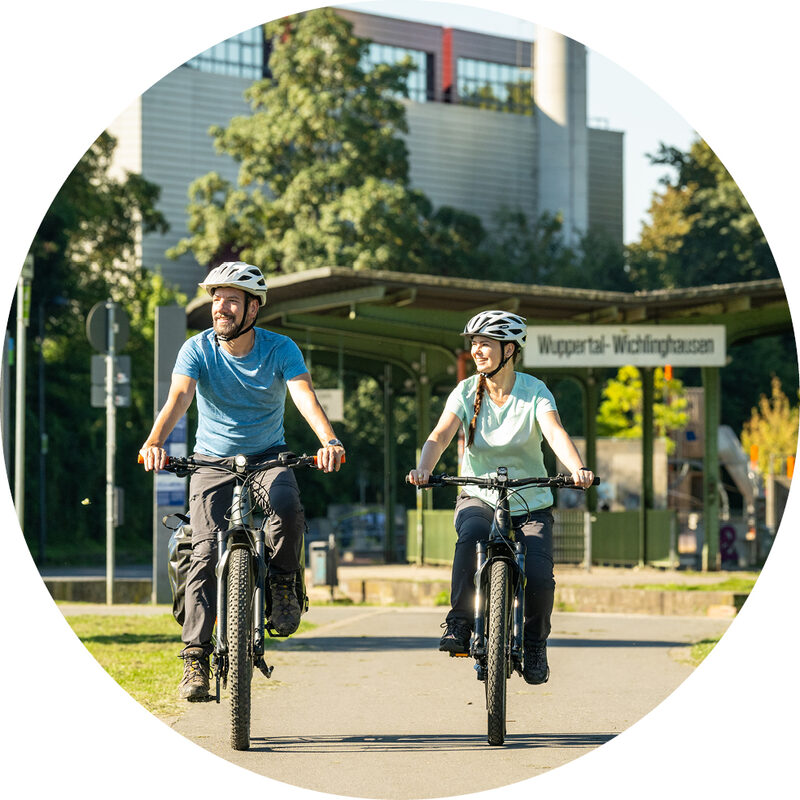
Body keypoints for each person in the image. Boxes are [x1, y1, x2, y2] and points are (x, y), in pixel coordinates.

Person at [139, 261, 345, 701]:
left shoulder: (280, 348)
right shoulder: (196, 349)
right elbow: (179, 396)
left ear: (254, 308)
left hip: (268, 456)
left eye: (231, 300)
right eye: (216, 299)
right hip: (210, 460)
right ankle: (195, 657)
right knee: (203, 549)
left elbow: (302, 393)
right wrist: (154, 440)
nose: (221, 308)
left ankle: (283, 583)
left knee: (287, 510)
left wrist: (328, 438)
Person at [407, 310, 594, 685]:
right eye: (474, 343)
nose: (476, 350)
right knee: (472, 535)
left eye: (485, 344)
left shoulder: (535, 391)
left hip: (531, 502)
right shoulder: (465, 391)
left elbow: (554, 433)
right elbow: (441, 434)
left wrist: (577, 468)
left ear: (509, 350)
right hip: (478, 494)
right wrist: (424, 467)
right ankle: (459, 621)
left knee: (540, 575)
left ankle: (534, 643)